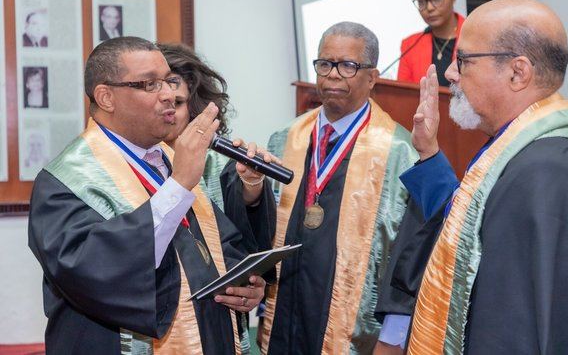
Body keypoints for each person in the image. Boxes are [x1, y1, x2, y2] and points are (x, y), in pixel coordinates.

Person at [393, 0, 568, 354]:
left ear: (518, 72)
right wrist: (429, 155)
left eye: (463, 60)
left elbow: (524, 332)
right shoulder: (520, 149)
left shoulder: (550, 173)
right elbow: (468, 242)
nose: (451, 73)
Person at [28, 37, 267, 355]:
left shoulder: (165, 160)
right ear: (106, 97)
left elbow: (215, 251)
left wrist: (245, 287)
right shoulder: (64, 182)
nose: (169, 94)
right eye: (150, 84)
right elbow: (95, 270)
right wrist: (178, 185)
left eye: (168, 81)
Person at [259, 21, 419, 354]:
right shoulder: (286, 138)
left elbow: (409, 256)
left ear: (372, 77)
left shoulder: (398, 152)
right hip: (283, 316)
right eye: (325, 64)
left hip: (356, 332)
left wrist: (394, 337)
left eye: (347, 66)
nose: (333, 74)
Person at [160, 42, 277, 354]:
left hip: (217, 325)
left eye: (179, 102)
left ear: (195, 109)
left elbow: (243, 244)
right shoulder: (123, 165)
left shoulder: (216, 164)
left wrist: (251, 288)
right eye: (161, 100)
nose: (168, 110)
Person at [396, 0, 465, 86]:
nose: (429, 8)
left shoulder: (475, 38)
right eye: (421, 2)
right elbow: (404, 96)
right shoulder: (410, 45)